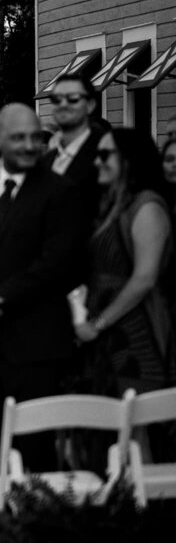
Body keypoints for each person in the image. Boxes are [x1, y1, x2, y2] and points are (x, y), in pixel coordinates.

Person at [0, 103, 91, 515]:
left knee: (35, 458)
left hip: (34, 348)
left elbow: (56, 265)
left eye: (35, 137)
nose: (29, 145)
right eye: (19, 137)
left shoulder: (62, 192)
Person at [76, 129, 174, 396]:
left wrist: (98, 324)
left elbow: (144, 278)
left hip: (137, 331)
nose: (97, 161)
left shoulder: (147, 207)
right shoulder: (113, 205)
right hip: (105, 327)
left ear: (129, 159)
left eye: (106, 154)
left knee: (135, 416)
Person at [42, 73, 103, 220]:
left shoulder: (105, 154)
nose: (63, 105)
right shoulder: (45, 161)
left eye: (73, 99)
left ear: (90, 105)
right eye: (56, 99)